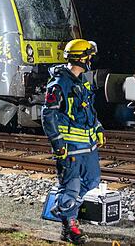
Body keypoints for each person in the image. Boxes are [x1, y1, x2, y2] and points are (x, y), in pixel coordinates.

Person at [42, 39, 104, 245]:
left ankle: (63, 209)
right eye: (89, 56)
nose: (91, 60)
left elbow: (89, 110)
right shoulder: (59, 84)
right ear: (81, 58)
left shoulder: (82, 82)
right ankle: (69, 225)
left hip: (88, 146)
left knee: (93, 180)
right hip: (70, 148)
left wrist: (98, 128)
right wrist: (58, 144)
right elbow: (47, 115)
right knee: (71, 187)